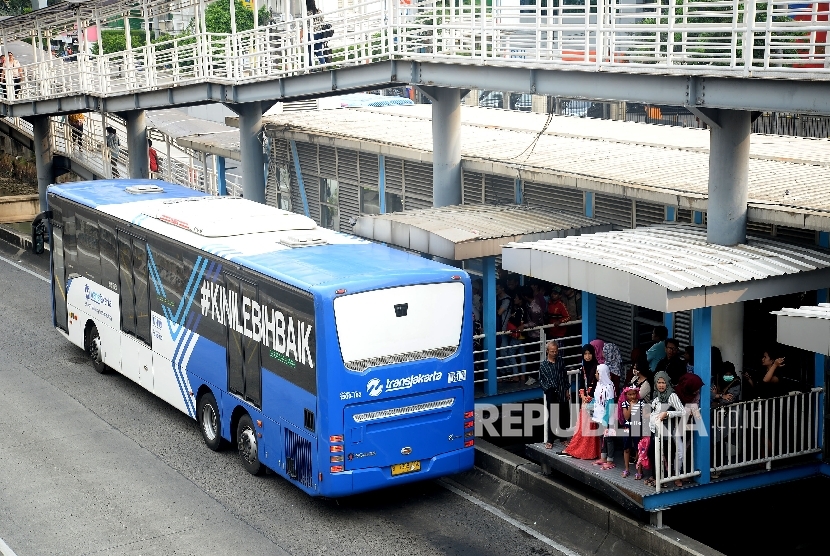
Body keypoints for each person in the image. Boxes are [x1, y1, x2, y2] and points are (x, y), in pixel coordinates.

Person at [644, 371, 685, 488]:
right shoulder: (656, 395)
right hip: (655, 429)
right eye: (658, 382)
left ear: (667, 383)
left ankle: (666, 478)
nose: (661, 385)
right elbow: (654, 409)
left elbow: (682, 411)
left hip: (667, 430)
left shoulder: (672, 396)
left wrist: (667, 413)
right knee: (652, 452)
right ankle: (658, 477)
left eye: (663, 382)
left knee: (668, 454)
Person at [563, 344, 601, 460]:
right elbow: (581, 384)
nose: (588, 356)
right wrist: (583, 396)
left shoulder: (598, 367)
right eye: (585, 354)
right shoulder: (583, 368)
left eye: (590, 353)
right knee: (582, 425)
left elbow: (598, 384)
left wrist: (589, 396)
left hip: (595, 400)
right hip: (586, 401)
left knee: (591, 426)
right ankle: (581, 449)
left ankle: (590, 452)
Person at [540, 341, 570, 449]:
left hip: (562, 391)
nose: (554, 353)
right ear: (547, 351)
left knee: (563, 415)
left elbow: (564, 377)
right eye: (552, 351)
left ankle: (563, 438)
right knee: (552, 416)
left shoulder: (561, 361)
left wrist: (566, 390)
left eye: (556, 351)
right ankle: (550, 440)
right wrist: (548, 389)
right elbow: (542, 381)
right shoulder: (543, 365)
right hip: (552, 392)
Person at [591, 363, 617, 470]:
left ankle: (610, 460)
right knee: (602, 437)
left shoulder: (609, 387)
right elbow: (596, 400)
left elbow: (610, 406)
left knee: (609, 438)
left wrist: (605, 421)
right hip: (599, 416)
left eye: (598, 373)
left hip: (608, 418)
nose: (596, 374)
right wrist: (589, 405)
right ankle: (603, 457)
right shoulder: (599, 384)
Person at [619, 387, 645, 479]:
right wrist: (631, 406)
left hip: (637, 426)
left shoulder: (641, 403)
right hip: (627, 427)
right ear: (626, 395)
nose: (632, 396)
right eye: (629, 395)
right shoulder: (624, 403)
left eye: (633, 394)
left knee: (638, 449)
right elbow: (626, 417)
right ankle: (626, 469)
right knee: (626, 448)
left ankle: (639, 471)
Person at [504, 291, 527, 382]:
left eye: (516, 298)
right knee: (522, 355)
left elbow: (517, 322)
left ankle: (515, 375)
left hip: (517, 335)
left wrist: (511, 318)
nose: (514, 299)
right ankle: (523, 375)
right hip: (522, 335)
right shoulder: (524, 308)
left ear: (520, 299)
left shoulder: (520, 310)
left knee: (510, 353)